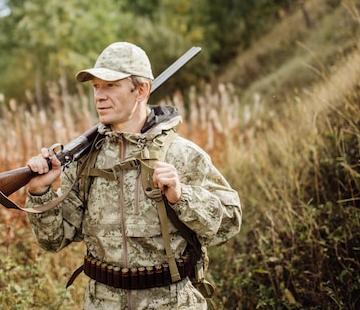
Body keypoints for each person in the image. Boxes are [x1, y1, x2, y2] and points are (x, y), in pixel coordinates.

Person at [25, 42, 242, 309]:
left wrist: (182, 196)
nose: (99, 96)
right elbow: (54, 240)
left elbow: (230, 223)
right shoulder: (84, 160)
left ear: (141, 90)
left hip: (171, 304)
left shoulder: (182, 154)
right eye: (96, 87)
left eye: (111, 85)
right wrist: (39, 193)